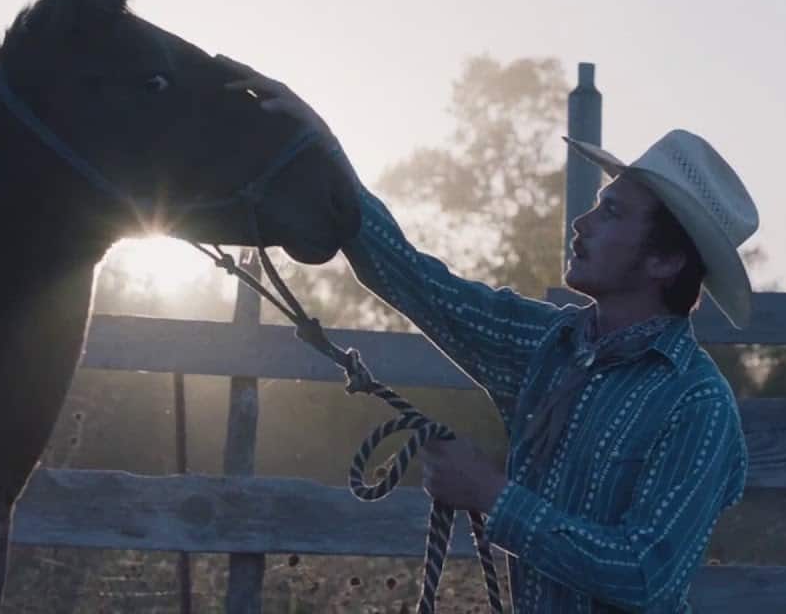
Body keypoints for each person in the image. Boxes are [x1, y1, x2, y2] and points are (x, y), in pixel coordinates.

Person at [220, 55, 757, 613]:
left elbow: (644, 575)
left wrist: (490, 495)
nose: (583, 222)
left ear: (665, 261)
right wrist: (324, 148)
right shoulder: (548, 346)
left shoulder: (697, 403)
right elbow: (418, 282)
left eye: (613, 212)